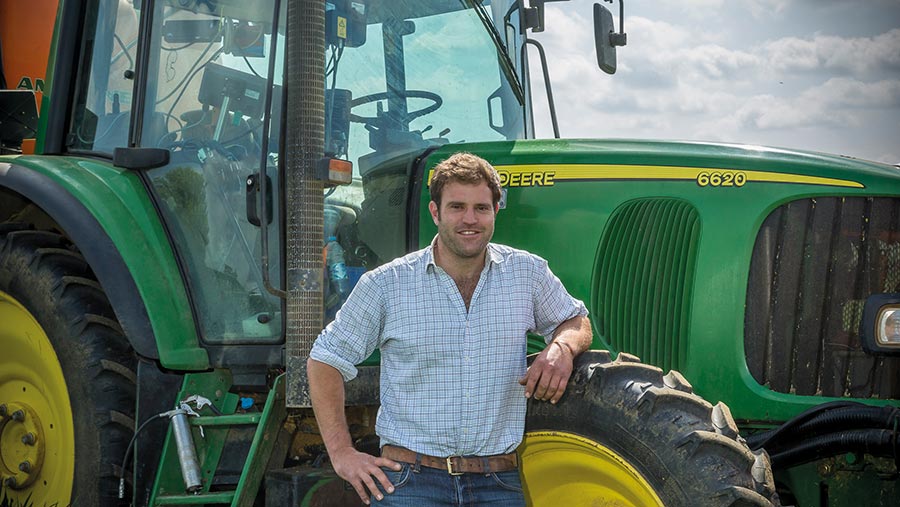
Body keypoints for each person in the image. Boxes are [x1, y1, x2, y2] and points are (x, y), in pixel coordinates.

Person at [307, 152, 592, 506]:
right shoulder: (386, 284)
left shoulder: (527, 274)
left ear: (495, 211)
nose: (470, 219)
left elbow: (576, 320)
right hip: (410, 483)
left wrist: (561, 348)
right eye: (457, 206)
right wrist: (341, 453)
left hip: (497, 482)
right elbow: (325, 359)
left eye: (481, 208)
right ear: (435, 212)